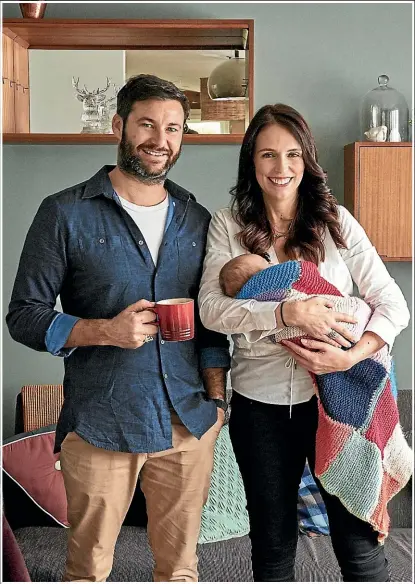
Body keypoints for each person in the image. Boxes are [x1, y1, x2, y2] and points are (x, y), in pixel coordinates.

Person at [6, 74, 230, 583]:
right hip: (102, 420)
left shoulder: (197, 220)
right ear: (119, 126)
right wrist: (103, 331)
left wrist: (217, 404)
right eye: (148, 124)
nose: (161, 140)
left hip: (189, 421)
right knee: (88, 569)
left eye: (173, 128)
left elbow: (213, 323)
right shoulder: (64, 212)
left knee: (180, 570)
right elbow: (24, 314)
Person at [198, 103, 410, 582]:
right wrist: (285, 312)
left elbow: (394, 304)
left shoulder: (337, 221)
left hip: (336, 404)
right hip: (261, 409)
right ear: (251, 161)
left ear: (307, 159)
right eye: (268, 155)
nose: (281, 168)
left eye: (293, 154)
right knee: (271, 550)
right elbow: (211, 310)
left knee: (359, 551)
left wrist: (350, 354)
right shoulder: (227, 224)